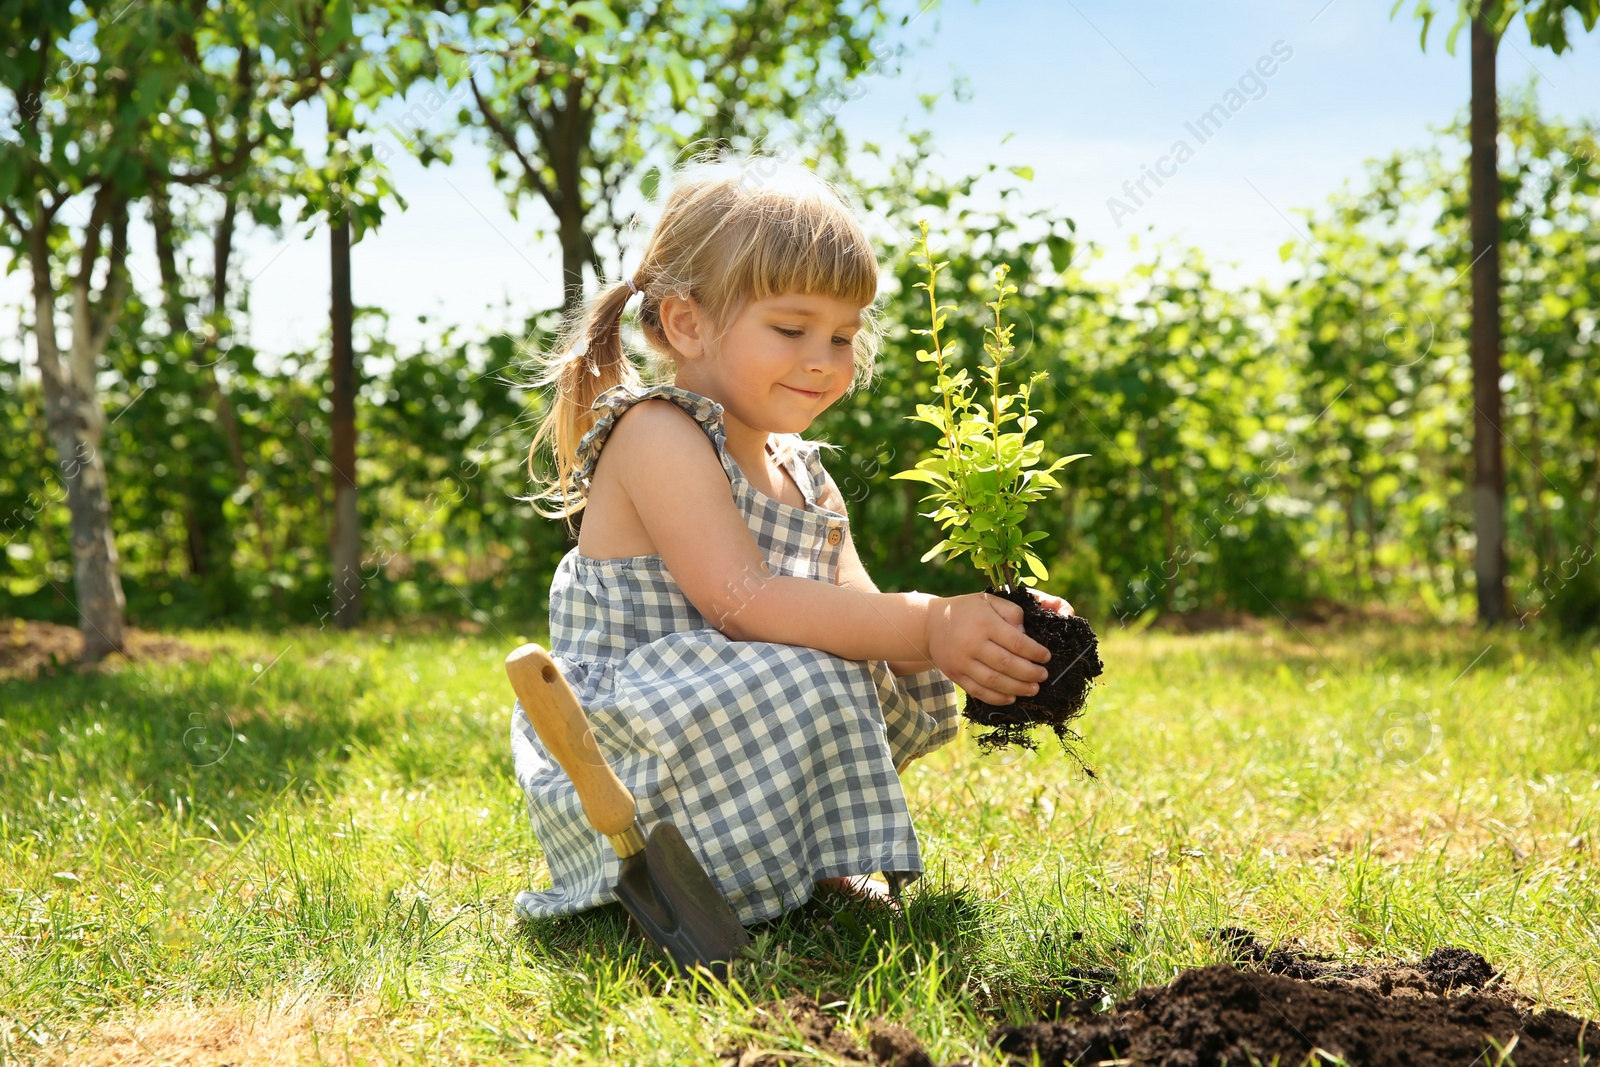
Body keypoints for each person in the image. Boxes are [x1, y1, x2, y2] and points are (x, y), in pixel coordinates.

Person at [510, 156, 1067, 926]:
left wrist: (988, 627)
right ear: (686, 322)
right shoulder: (659, 434)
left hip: (720, 721)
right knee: (810, 673)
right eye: (791, 327)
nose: (823, 359)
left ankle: (799, 862)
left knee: (850, 662)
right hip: (631, 745)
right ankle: (709, 870)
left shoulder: (801, 471)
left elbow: (865, 619)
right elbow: (743, 603)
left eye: (842, 335)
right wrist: (930, 621)